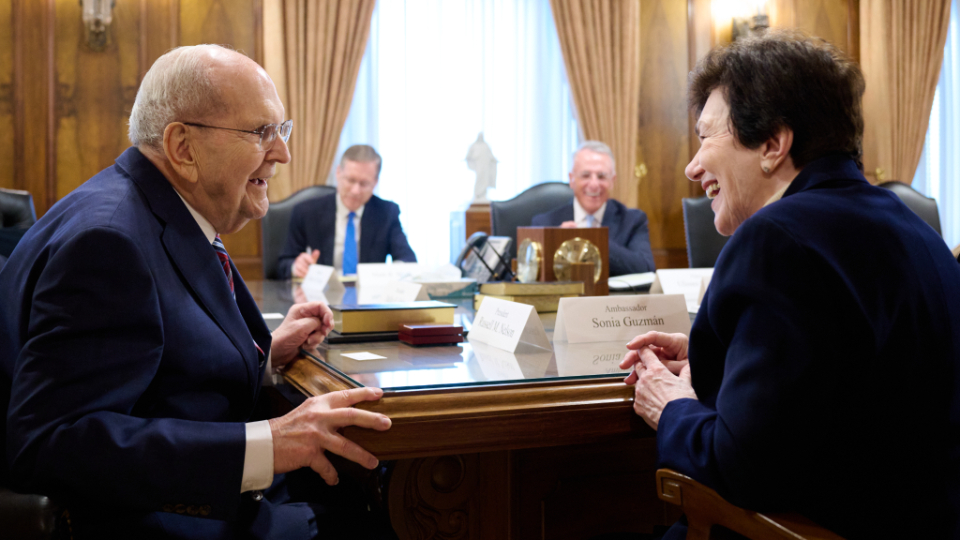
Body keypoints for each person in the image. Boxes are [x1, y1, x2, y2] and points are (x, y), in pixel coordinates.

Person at [0, 45, 396, 540]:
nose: (283, 153)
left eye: (282, 129)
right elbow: (52, 443)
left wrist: (263, 356)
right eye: (261, 132)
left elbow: (156, 365)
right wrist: (269, 443)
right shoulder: (108, 243)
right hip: (173, 519)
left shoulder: (159, 208)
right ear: (183, 147)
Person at [619, 31, 960, 539]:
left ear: (772, 145)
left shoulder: (774, 239)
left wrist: (670, 406)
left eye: (706, 138)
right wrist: (721, 354)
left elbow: (742, 468)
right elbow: (856, 377)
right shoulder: (915, 228)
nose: (692, 167)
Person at [277, 145, 416, 279]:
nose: (355, 191)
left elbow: (407, 260)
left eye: (364, 183)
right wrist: (296, 267)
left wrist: (395, 273)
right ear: (338, 173)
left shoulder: (387, 213)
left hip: (368, 292)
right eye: (350, 180)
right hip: (321, 292)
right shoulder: (306, 212)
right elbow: (282, 264)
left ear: (375, 182)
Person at [531, 141, 655, 276]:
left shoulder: (632, 221)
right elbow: (529, 274)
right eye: (585, 175)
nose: (594, 184)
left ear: (612, 181)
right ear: (572, 180)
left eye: (601, 176)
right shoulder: (545, 223)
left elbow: (646, 268)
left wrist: (591, 239)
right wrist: (555, 243)